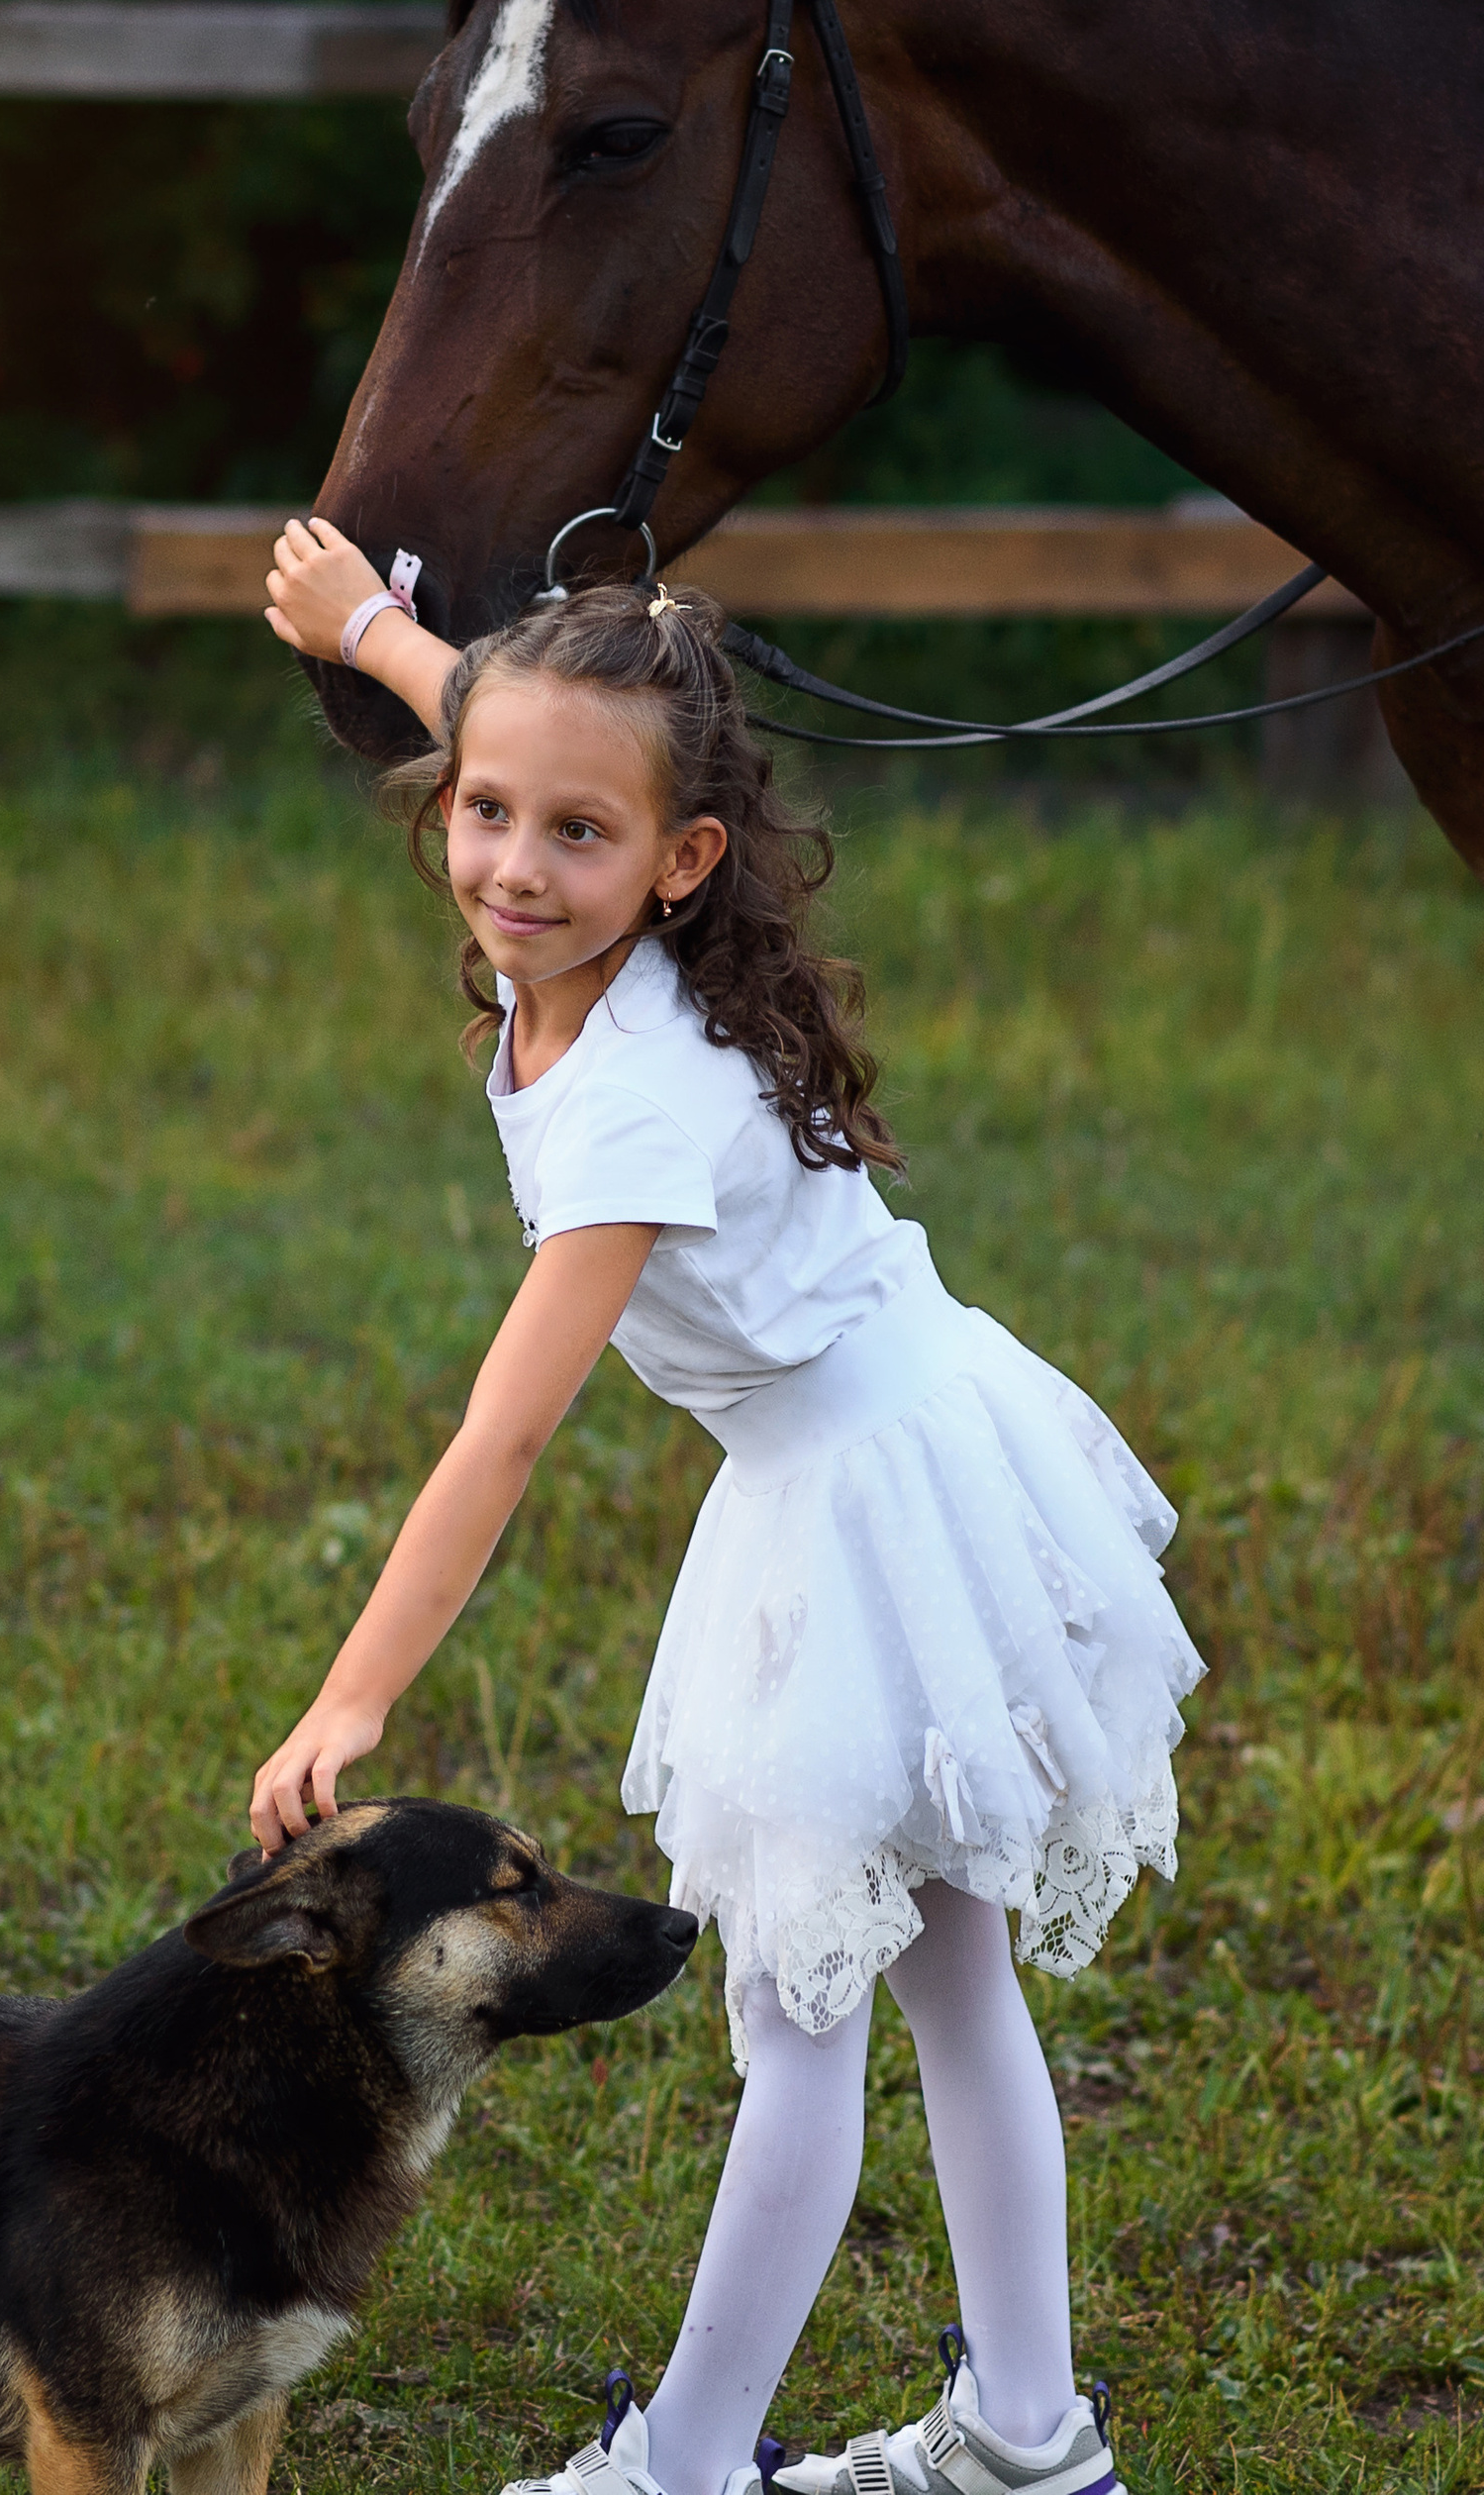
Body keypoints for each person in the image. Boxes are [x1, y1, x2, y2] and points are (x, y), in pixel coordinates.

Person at [246, 520, 1201, 2495]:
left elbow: (498, 1439)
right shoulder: (588, 854)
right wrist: (378, 635)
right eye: (480, 811)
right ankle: (1027, 2433)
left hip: (865, 1500)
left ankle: (682, 2467)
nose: (512, 861)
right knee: (941, 1968)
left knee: (801, 2013)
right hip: (903, 1440)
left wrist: (346, 1698)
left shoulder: (635, 1107)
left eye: (571, 836)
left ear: (678, 861)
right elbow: (527, 729)